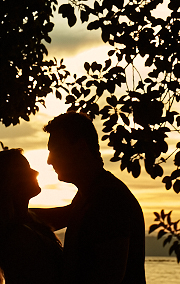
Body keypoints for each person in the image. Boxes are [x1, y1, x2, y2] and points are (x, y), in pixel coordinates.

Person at [33, 112, 146, 284]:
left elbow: (109, 276)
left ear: (80, 147)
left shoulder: (109, 200)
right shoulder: (90, 196)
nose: (49, 160)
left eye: (55, 150)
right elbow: (56, 217)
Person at [0, 148, 63, 284]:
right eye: (25, 169)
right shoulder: (18, 237)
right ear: (10, 182)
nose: (36, 172)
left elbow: (72, 210)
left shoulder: (30, 219)